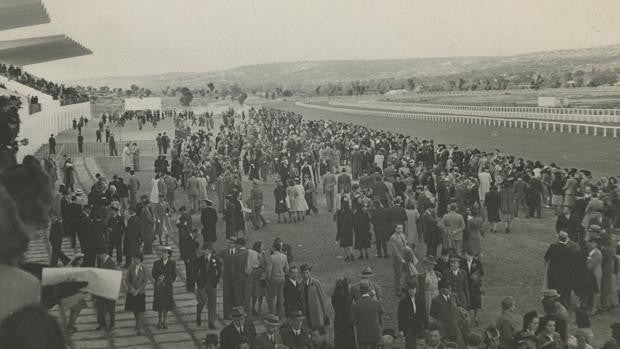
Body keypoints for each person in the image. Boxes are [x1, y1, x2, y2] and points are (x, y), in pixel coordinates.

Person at [544, 231, 575, 305]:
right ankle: (562, 302)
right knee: (562, 288)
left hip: (553, 272)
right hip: (563, 273)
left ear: (558, 238)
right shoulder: (569, 250)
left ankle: (552, 301)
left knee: (552, 286)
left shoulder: (553, 247)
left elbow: (546, 257)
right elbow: (571, 263)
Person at [351, 282, 384, 349]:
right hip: (375, 333)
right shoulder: (376, 303)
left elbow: (353, 322)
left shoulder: (355, 305)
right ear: (369, 291)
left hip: (362, 335)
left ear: (360, 292)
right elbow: (382, 311)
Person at [196, 243, 222, 329]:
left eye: (208, 249)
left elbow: (219, 272)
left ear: (211, 250)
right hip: (202, 285)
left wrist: (215, 282)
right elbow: (195, 271)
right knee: (201, 302)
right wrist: (198, 281)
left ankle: (211, 322)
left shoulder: (216, 260)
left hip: (212, 285)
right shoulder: (199, 260)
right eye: (205, 249)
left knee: (212, 304)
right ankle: (198, 315)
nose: (206, 251)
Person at [398, 278, 428, 349]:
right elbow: (400, 316)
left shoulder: (420, 300)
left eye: (413, 289)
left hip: (419, 326)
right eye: (410, 289)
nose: (412, 291)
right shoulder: (403, 302)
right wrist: (401, 329)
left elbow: (424, 315)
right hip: (409, 327)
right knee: (410, 345)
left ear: (416, 289)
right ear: (408, 290)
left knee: (420, 345)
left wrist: (426, 327)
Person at [152, 246, 176, 329]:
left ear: (169, 255)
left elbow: (174, 275)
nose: (163, 254)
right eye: (162, 252)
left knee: (167, 305)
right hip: (159, 286)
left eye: (165, 253)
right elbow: (153, 273)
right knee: (159, 304)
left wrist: (168, 281)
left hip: (167, 287)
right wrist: (158, 278)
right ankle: (159, 320)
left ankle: (165, 320)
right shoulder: (156, 263)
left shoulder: (172, 263)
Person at [430, 279, 460, 344]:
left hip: (453, 326)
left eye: (450, 287)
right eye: (447, 288)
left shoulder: (454, 296)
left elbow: (457, 307)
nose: (449, 289)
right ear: (441, 290)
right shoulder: (436, 300)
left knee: (454, 343)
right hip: (443, 327)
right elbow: (433, 314)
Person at [299, 264, 329, 329]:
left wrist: (324, 313)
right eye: (303, 273)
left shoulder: (316, 283)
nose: (305, 275)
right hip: (306, 312)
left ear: (310, 272)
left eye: (307, 273)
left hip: (316, 312)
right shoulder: (300, 285)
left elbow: (322, 298)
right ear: (301, 274)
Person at [125, 251, 147, 335]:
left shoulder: (144, 269)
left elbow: (145, 282)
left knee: (140, 311)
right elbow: (127, 279)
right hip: (132, 292)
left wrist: (137, 291)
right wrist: (132, 289)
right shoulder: (131, 267)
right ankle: (137, 323)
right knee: (134, 309)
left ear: (140, 259)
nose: (135, 260)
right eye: (134, 258)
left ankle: (139, 327)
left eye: (137, 258)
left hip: (140, 293)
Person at [95, 250, 117, 331]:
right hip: (102, 287)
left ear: (104, 254)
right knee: (100, 306)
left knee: (111, 307)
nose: (99, 256)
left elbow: (112, 275)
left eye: (99, 254)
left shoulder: (111, 262)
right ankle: (101, 323)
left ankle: (112, 324)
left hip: (109, 288)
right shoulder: (102, 261)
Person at [332, 278, 356, 349]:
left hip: (338, 321)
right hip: (346, 322)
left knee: (339, 342)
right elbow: (348, 308)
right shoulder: (346, 298)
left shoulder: (334, 296)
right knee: (348, 341)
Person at [462, 249, 483, 325]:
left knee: (476, 302)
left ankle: (476, 317)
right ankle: (468, 317)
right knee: (468, 300)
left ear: (470, 255)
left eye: (466, 255)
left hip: (475, 286)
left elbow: (482, 273)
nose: (465, 256)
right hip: (466, 285)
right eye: (465, 255)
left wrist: (476, 276)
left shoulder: (477, 262)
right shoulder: (463, 262)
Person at [390, 224, 409, 295]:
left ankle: (403, 287)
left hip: (405, 258)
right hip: (397, 259)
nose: (400, 230)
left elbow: (405, 244)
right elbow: (395, 251)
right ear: (395, 229)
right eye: (398, 228)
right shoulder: (393, 238)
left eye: (401, 228)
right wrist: (401, 259)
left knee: (406, 273)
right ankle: (398, 290)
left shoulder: (403, 235)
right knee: (398, 275)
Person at [335, 196, 355, 261]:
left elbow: (339, 226)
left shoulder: (340, 213)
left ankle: (347, 256)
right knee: (350, 243)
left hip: (343, 230)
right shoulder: (351, 212)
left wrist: (337, 238)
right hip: (350, 230)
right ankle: (351, 253)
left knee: (344, 244)